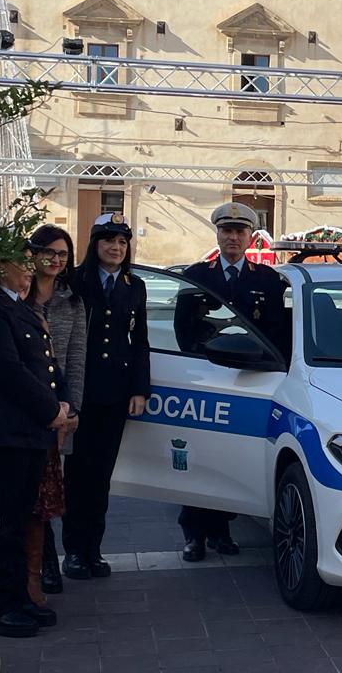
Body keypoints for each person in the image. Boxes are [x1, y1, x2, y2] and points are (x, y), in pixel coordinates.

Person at [0, 243, 70, 637]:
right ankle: (1, 606)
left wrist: (62, 402)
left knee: (19, 522)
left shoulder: (16, 306)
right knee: (1, 523)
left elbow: (44, 365)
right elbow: (6, 369)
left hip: (25, 432)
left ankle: (18, 597)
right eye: (20, 260)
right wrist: (50, 410)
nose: (29, 266)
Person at [175, 202, 287, 562]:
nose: (232, 237)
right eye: (226, 231)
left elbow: (277, 332)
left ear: (250, 237)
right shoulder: (196, 275)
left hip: (246, 382)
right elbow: (182, 331)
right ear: (218, 234)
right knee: (197, 457)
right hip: (204, 380)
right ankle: (193, 534)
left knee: (229, 458)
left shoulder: (267, 280)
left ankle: (221, 529)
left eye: (239, 231)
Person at [61, 214, 149, 580]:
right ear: (95, 244)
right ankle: (73, 551)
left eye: (122, 242)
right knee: (77, 474)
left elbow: (140, 340)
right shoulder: (74, 281)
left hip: (115, 392)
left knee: (101, 476)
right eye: (109, 240)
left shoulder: (134, 285)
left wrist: (140, 388)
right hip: (81, 391)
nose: (116, 247)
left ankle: (93, 549)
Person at [25, 225, 87, 601]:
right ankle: (42, 563)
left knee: (49, 486)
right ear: (33, 254)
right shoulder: (18, 295)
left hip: (60, 409)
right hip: (22, 407)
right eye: (49, 252)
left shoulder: (72, 299)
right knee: (29, 486)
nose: (56, 260)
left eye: (63, 254)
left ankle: (46, 562)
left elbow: (77, 358)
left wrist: (73, 408)